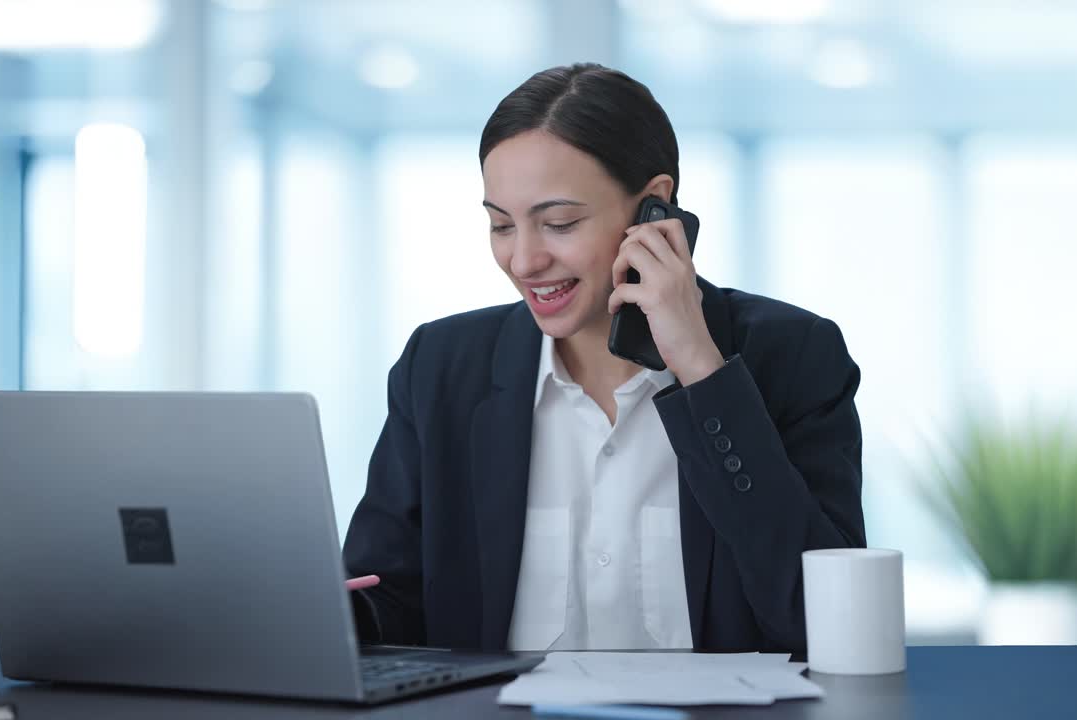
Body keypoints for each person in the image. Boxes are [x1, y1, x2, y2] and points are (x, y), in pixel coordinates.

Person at [342, 63, 864, 654]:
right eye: (501, 225)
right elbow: (386, 597)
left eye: (559, 223)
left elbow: (825, 622)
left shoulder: (796, 356)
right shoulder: (440, 368)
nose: (524, 261)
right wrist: (324, 610)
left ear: (653, 208)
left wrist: (703, 373)